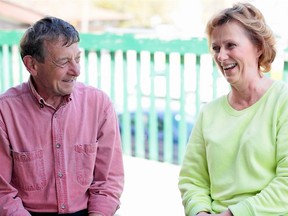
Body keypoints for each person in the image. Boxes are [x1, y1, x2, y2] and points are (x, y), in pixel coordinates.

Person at [0, 16, 124, 216]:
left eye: (77, 58)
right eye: (64, 61)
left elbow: (108, 182)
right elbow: (2, 193)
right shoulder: (5, 112)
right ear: (32, 65)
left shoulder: (99, 104)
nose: (76, 71)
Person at [178, 2, 288, 216]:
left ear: (258, 47)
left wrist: (234, 213)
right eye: (216, 48)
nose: (221, 56)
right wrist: (200, 212)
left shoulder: (283, 101)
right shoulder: (209, 113)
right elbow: (192, 180)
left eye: (230, 45)